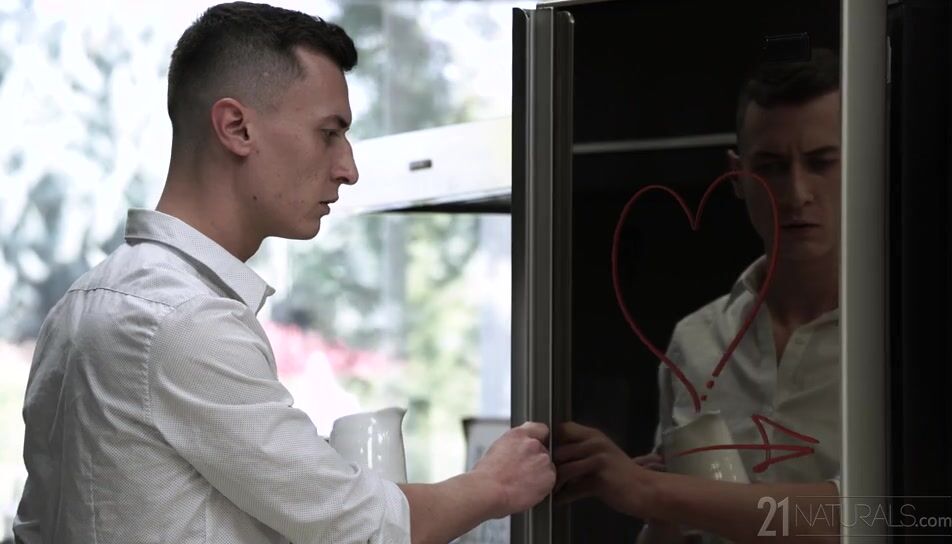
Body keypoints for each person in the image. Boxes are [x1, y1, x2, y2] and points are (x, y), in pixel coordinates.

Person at [13, 3, 555, 543]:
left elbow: (34, 530)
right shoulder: (186, 320)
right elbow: (361, 529)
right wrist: (494, 485)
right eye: (329, 133)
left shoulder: (80, 305)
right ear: (236, 128)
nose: (348, 168)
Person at [554, 48, 842, 544]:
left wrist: (651, 491)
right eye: (771, 166)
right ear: (737, 175)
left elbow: (879, 513)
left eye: (822, 163)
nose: (797, 193)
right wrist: (657, 507)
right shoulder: (697, 340)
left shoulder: (905, 342)